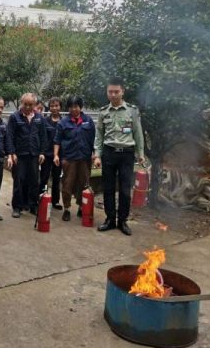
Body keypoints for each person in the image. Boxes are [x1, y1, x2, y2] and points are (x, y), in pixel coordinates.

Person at [93, 78, 145, 236]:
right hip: (109, 153)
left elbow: (138, 133)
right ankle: (110, 220)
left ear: (123, 91)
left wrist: (140, 153)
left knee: (124, 190)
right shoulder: (103, 112)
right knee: (108, 188)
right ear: (107, 92)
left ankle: (122, 221)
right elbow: (99, 136)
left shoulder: (132, 111)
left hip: (126, 154)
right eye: (110, 92)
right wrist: (97, 156)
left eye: (116, 91)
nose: (113, 95)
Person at [53, 96, 96, 221]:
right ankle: (66, 208)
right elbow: (57, 140)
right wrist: (56, 155)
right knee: (67, 184)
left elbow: (93, 139)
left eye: (76, 106)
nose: (74, 109)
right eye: (71, 107)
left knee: (84, 184)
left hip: (84, 158)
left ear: (80, 107)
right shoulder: (63, 123)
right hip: (69, 158)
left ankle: (81, 207)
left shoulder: (88, 121)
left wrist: (94, 154)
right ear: (68, 108)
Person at [5, 93, 47, 218]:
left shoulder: (39, 118)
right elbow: (10, 136)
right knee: (19, 181)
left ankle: (33, 205)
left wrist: (42, 152)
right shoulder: (14, 117)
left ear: (35, 105)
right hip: (20, 155)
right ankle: (17, 207)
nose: (28, 107)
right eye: (25, 104)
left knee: (34, 181)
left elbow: (43, 136)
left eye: (31, 104)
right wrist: (12, 153)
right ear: (21, 103)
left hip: (34, 155)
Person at [39, 97, 62, 209]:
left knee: (56, 178)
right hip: (47, 155)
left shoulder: (64, 121)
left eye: (56, 105)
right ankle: (42, 197)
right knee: (44, 177)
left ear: (60, 107)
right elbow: (42, 138)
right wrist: (42, 152)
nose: (54, 108)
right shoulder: (45, 121)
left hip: (59, 156)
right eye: (52, 106)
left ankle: (55, 201)